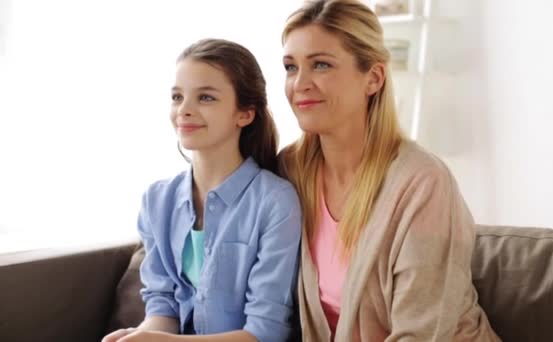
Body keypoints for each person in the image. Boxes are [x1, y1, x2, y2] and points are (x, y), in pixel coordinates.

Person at [278, 0, 501, 341]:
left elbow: (420, 333)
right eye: (291, 67)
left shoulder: (423, 184)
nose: (300, 83)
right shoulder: (289, 173)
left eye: (321, 65)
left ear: (374, 78)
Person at [102, 38, 301, 342]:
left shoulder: (275, 201)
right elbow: (163, 306)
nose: (185, 109)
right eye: (177, 96)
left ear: (245, 114)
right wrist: (142, 336)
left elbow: (265, 332)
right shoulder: (157, 200)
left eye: (205, 98)